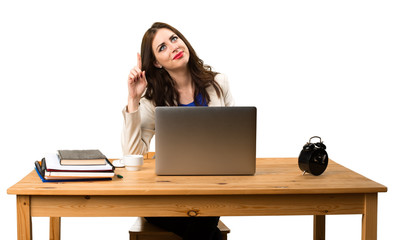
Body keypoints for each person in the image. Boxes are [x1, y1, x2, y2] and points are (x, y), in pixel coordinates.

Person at [121, 22, 234, 240]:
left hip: (210, 189)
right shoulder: (153, 100)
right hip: (165, 196)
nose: (173, 47)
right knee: (206, 228)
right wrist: (133, 99)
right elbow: (132, 154)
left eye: (174, 39)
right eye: (162, 47)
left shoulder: (219, 83)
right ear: (156, 63)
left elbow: (234, 137)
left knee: (204, 216)